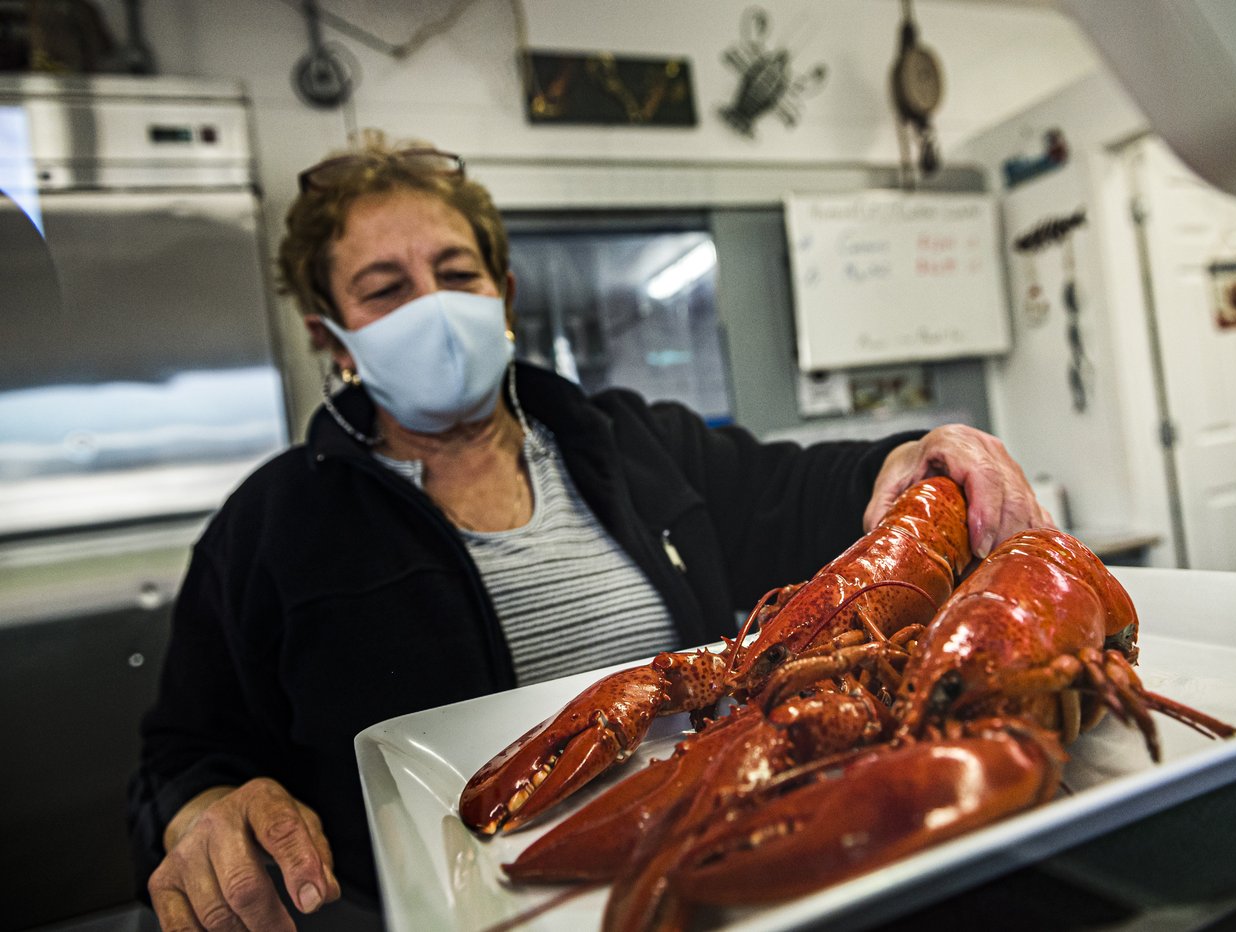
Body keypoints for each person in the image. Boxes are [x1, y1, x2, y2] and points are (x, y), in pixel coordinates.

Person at [128, 136, 1053, 931]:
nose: (433, 307)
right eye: (385, 289)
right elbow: (184, 752)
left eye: (456, 275)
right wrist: (201, 808)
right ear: (332, 337)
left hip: (712, 874)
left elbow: (793, 491)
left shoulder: (632, 440)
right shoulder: (273, 521)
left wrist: (907, 459)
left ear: (503, 293)